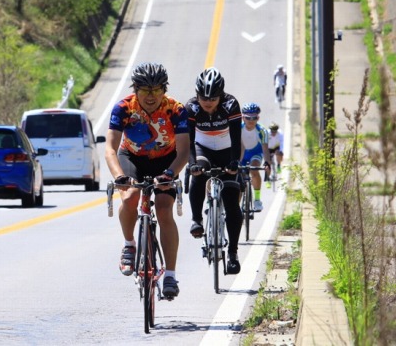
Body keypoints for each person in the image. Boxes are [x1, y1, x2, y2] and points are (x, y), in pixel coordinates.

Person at [105, 62, 189, 298]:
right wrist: (119, 176)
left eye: (156, 90)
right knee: (130, 196)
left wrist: (171, 174)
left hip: (166, 160)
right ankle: (129, 244)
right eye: (145, 91)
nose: (151, 96)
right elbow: (110, 149)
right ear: (135, 90)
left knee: (164, 210)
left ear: (164, 89)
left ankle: (170, 275)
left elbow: (183, 152)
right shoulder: (123, 108)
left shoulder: (176, 109)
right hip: (131, 156)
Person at [185, 67, 244, 274]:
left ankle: (233, 253)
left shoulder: (230, 104)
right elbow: (189, 141)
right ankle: (197, 219)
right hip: (203, 148)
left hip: (227, 148)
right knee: (199, 172)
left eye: (213, 98)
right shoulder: (191, 107)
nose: (207, 102)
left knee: (230, 199)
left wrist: (234, 162)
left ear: (221, 96)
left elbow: (237, 139)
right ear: (197, 95)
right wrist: (192, 164)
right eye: (203, 97)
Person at [240, 103, 272, 210]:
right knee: (238, 178)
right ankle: (235, 207)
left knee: (254, 170)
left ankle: (257, 200)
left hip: (255, 153)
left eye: (254, 117)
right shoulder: (237, 128)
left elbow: (265, 149)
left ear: (258, 118)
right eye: (248, 118)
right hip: (241, 153)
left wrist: (267, 163)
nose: (251, 120)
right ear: (243, 117)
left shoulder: (262, 131)